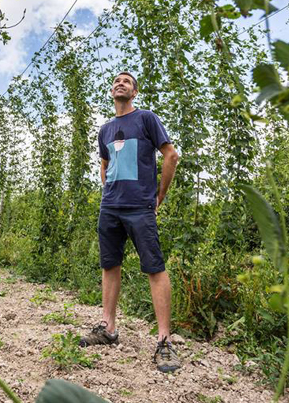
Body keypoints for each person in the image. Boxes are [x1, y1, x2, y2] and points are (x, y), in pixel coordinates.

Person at [79, 71, 181, 373]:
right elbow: (105, 163)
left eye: (126, 81)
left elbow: (171, 156)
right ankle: (108, 329)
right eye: (116, 81)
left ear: (134, 92)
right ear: (112, 92)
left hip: (140, 207)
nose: (119, 83)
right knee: (110, 265)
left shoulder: (146, 118)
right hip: (110, 207)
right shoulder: (105, 129)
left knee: (154, 267)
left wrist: (158, 196)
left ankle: (164, 341)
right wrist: (107, 193)